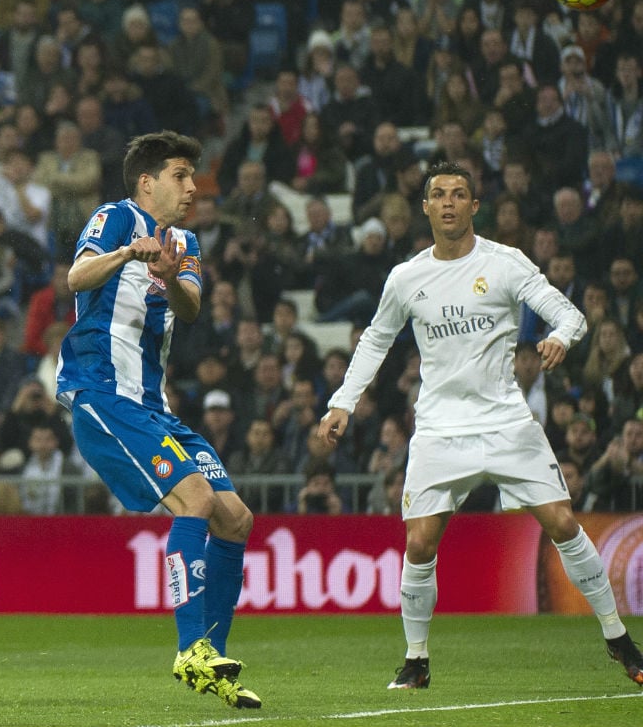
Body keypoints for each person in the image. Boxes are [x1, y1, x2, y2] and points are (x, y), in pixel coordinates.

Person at [316, 161, 643, 691]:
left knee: (562, 523)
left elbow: (572, 316)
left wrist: (560, 337)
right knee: (420, 544)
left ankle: (617, 637)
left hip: (506, 422)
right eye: (438, 194)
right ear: (425, 207)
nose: (448, 203)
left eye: (459, 194)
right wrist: (342, 403)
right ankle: (416, 660)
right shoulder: (407, 277)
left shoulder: (505, 263)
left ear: (474, 205)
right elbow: (376, 339)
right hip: (441, 429)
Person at [56, 130, 262, 710]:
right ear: (147, 181)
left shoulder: (185, 241)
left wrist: (169, 274)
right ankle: (189, 644)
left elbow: (191, 307)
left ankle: (212, 661)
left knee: (236, 518)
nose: (192, 187)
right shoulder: (114, 217)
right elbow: (76, 279)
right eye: (180, 175)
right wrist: (129, 254)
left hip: (155, 407)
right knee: (195, 500)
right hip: (101, 393)